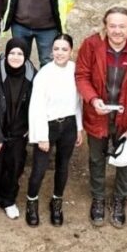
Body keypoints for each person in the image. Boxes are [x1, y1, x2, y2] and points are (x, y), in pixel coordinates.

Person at [74, 6, 127, 228]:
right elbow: (81, 75)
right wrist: (92, 99)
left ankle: (119, 199)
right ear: (105, 26)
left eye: (122, 26)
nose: (117, 31)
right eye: (112, 26)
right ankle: (98, 198)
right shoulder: (92, 45)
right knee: (96, 159)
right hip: (98, 115)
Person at [25, 35, 83, 227]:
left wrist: (79, 128)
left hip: (69, 125)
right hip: (48, 125)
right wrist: (41, 136)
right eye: (56, 49)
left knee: (63, 165)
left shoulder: (76, 71)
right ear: (51, 51)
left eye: (64, 49)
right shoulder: (44, 74)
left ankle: (57, 201)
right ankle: (31, 201)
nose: (59, 53)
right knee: (39, 169)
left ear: (71, 51)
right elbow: (36, 107)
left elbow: (78, 103)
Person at [0, 37, 36, 221]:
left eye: (20, 53)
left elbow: (35, 105)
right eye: (12, 53)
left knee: (14, 168)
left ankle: (9, 201)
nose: (16, 57)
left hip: (19, 134)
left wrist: (30, 128)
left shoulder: (32, 75)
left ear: (26, 56)